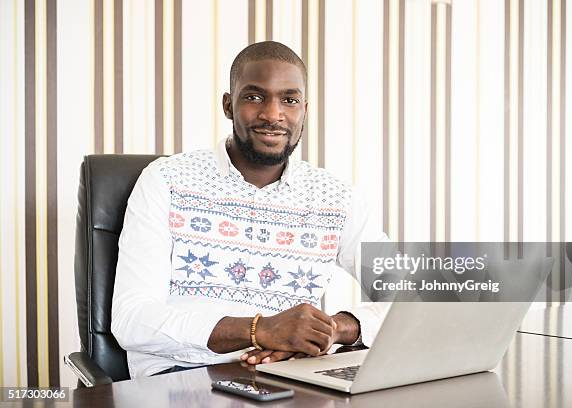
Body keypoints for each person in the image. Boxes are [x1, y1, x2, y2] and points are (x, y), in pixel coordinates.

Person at [111, 41, 389, 378]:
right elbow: (132, 319)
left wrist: (334, 328)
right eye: (254, 97)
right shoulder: (167, 180)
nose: (273, 115)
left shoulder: (336, 197)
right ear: (228, 105)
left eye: (289, 100)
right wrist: (259, 329)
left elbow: (411, 295)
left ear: (304, 109)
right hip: (182, 378)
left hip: (293, 380)